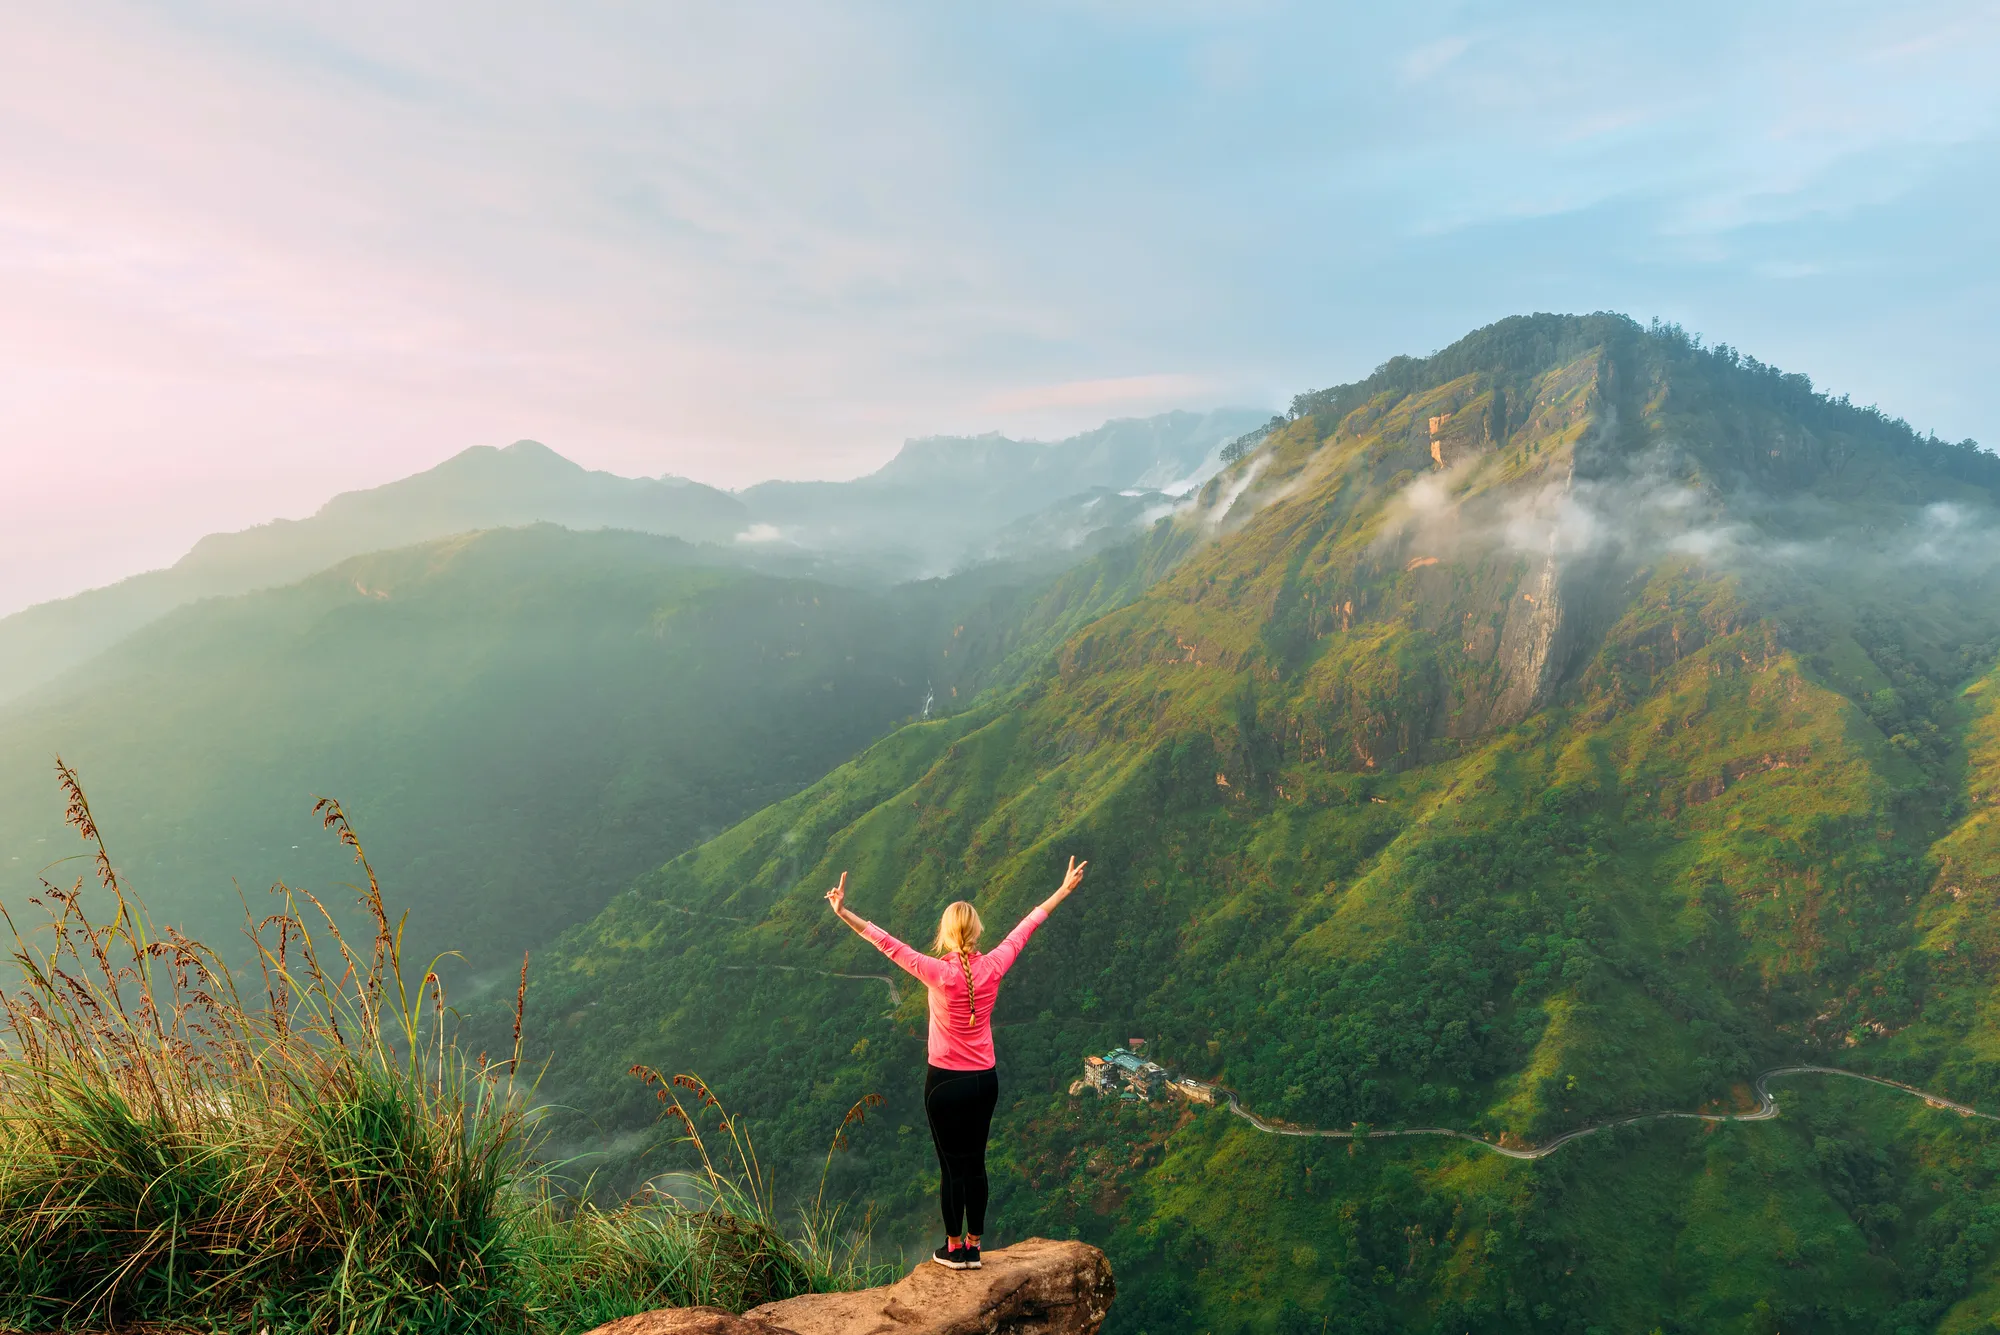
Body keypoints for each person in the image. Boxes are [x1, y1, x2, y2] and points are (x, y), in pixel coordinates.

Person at [824, 855, 1087, 1271]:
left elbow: (886, 942)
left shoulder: (935, 972)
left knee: (951, 1168)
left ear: (945, 936)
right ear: (978, 931)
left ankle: (953, 1249)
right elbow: (1028, 925)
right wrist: (1063, 889)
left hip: (944, 1084)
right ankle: (976, 1246)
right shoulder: (995, 965)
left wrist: (843, 913)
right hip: (985, 1081)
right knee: (976, 1163)